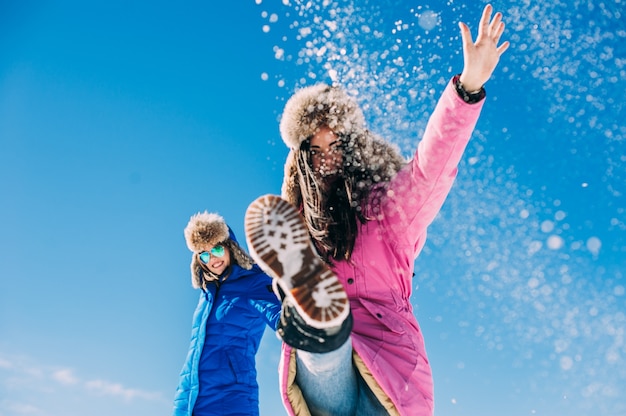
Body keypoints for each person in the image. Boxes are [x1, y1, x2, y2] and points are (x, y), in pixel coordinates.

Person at [244, 4, 510, 416]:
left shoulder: (389, 210)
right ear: (301, 160)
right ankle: (313, 313)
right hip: (327, 370)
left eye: (334, 146)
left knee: (329, 347)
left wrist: (467, 89)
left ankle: (314, 318)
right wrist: (285, 305)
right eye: (313, 151)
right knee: (321, 336)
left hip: (390, 373)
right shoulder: (302, 229)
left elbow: (431, 167)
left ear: (350, 147)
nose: (325, 159)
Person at [172, 211, 282, 416]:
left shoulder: (254, 282)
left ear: (230, 246)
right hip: (189, 403)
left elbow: (281, 318)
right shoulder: (207, 295)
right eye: (204, 254)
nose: (213, 259)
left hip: (232, 400)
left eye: (216, 249)